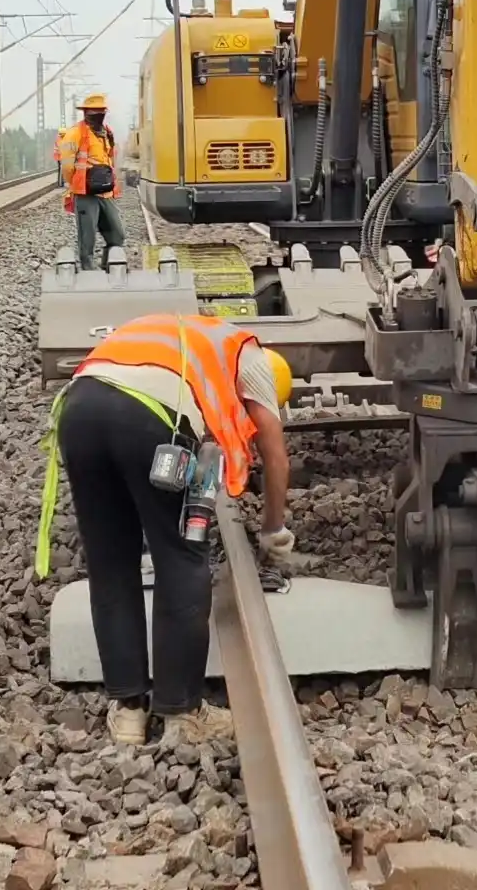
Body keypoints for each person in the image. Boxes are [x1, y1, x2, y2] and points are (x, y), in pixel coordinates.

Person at [36, 313, 297, 747]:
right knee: (181, 557)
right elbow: (275, 453)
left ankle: (128, 712)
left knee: (110, 563)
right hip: (147, 418)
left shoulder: (187, 336)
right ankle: (182, 711)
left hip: (79, 411)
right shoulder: (250, 357)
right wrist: (274, 529)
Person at [58, 93, 126, 270]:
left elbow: (110, 159)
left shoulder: (106, 133)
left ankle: (108, 265)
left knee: (117, 235)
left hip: (105, 192)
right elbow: (67, 165)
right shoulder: (75, 133)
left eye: (101, 110)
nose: (98, 114)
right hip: (85, 193)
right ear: (86, 112)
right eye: (95, 111)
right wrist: (75, 184)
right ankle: (88, 270)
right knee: (87, 237)